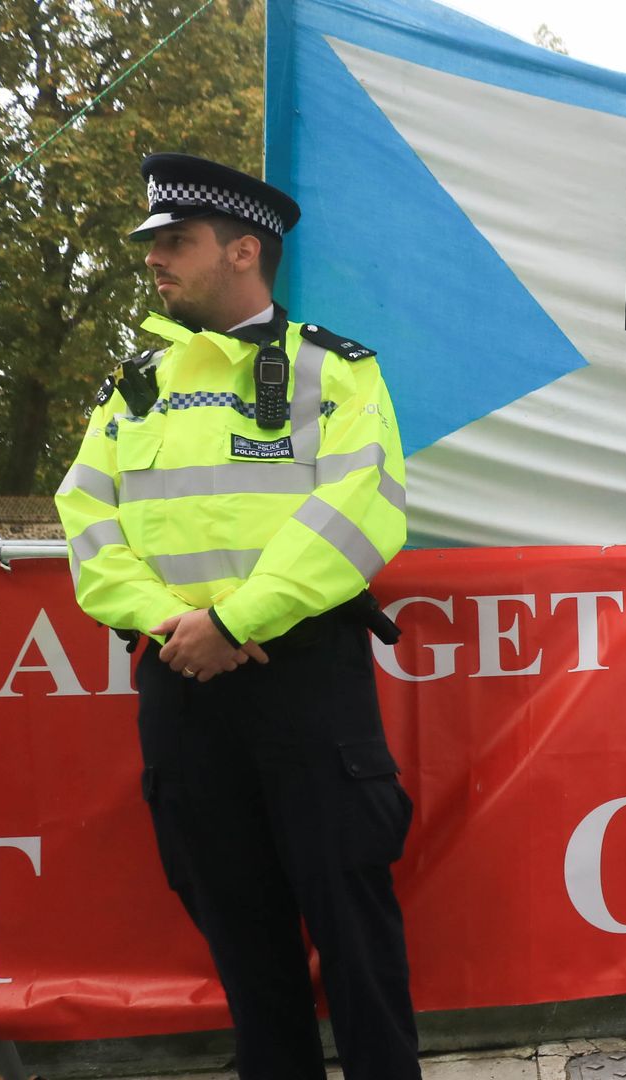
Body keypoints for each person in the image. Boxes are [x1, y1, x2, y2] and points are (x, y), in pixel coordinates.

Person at [54, 154, 419, 1080]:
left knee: (356, 932)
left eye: (174, 242)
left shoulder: (335, 371)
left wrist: (239, 622)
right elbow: (85, 518)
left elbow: (360, 510)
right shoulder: (134, 384)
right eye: (152, 245)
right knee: (244, 948)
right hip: (179, 683)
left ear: (244, 251)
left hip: (304, 686)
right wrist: (171, 626)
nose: (154, 261)